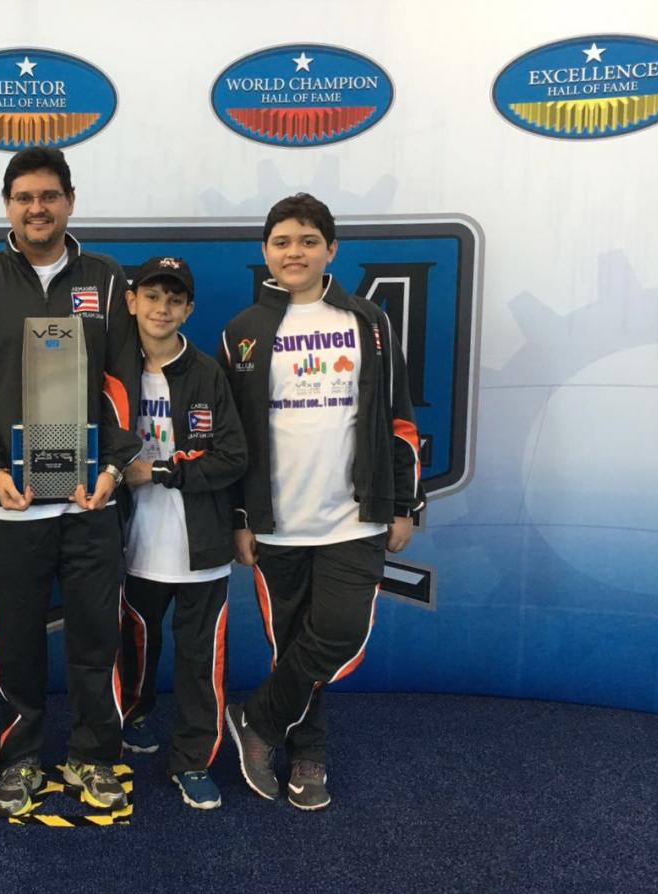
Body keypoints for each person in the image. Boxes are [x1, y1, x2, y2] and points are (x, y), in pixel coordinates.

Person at [0, 147, 142, 816]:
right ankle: (20, 759)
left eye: (49, 196)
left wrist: (112, 467)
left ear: (70, 201)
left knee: (95, 637)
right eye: (24, 197)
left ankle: (95, 755)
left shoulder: (106, 278)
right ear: (7, 205)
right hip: (6, 503)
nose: (38, 208)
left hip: (89, 499)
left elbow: (122, 382)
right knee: (16, 644)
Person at [219, 193, 424, 810]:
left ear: (331, 249)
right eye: (282, 242)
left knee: (337, 632)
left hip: (353, 516)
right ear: (265, 252)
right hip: (277, 523)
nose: (295, 252)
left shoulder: (369, 321)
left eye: (308, 241)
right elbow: (234, 438)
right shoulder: (243, 331)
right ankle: (309, 756)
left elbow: (399, 419)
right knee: (292, 645)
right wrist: (240, 518)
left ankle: (257, 718)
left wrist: (405, 504)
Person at [117, 257, 247, 810]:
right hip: (131, 545)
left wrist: (160, 471)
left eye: (174, 300)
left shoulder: (208, 373)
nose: (162, 308)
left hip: (202, 549)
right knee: (134, 649)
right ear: (131, 302)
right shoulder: (111, 369)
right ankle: (134, 715)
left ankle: (193, 760)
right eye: (152, 296)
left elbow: (233, 456)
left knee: (201, 665)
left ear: (188, 309)